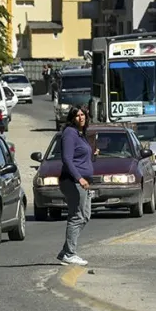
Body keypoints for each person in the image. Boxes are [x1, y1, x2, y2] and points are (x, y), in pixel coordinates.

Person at [57, 106, 94, 267]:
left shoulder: (80, 134)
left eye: (83, 115)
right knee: (76, 216)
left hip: (83, 180)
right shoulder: (70, 133)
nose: (81, 118)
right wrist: (79, 178)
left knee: (85, 216)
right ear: (72, 118)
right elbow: (67, 159)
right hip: (72, 181)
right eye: (77, 115)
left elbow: (81, 157)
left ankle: (65, 252)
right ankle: (70, 254)